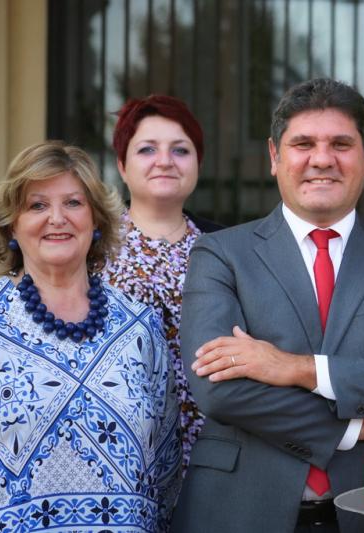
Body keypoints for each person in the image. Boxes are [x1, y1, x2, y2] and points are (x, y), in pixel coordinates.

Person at [171, 78, 364, 533]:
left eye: (340, 144)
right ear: (274, 156)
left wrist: (297, 368)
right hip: (241, 510)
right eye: (303, 144)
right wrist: (354, 427)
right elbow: (218, 388)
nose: (322, 159)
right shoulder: (221, 254)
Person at [0, 141, 181, 532]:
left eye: (73, 203)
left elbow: (167, 465)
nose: (57, 218)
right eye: (37, 205)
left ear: (96, 220)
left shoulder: (141, 326)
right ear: (12, 224)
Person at [103, 94, 223, 470]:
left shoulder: (229, 248)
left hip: (214, 453)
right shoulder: (89, 248)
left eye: (180, 150)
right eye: (147, 149)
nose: (165, 161)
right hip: (117, 448)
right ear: (122, 165)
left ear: (198, 163)